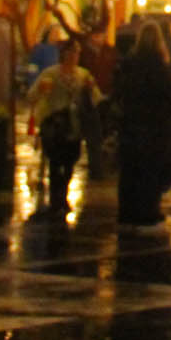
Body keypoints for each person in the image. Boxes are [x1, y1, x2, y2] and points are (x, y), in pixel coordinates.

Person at [114, 23, 171, 227]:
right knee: (150, 173)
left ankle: (127, 211)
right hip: (155, 132)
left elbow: (120, 93)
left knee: (130, 172)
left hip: (131, 129)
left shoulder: (129, 65)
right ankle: (148, 210)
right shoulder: (161, 68)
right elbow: (170, 101)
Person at [23, 39, 100, 216]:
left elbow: (96, 99)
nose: (74, 56)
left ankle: (62, 193)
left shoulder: (83, 75)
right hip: (55, 125)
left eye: (77, 52)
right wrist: (41, 90)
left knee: (70, 160)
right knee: (55, 161)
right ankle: (56, 198)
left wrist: (90, 90)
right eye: (70, 52)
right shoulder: (50, 74)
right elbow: (31, 95)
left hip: (74, 125)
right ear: (63, 54)